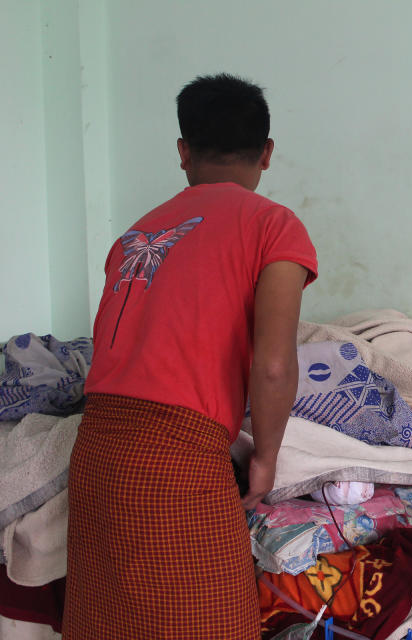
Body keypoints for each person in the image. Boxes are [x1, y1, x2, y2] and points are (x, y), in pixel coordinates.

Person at [63, 73, 318, 639]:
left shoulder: (133, 236)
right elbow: (274, 364)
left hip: (97, 450)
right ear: (267, 154)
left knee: (107, 622)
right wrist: (266, 458)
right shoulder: (273, 225)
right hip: (174, 460)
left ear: (183, 152)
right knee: (210, 622)